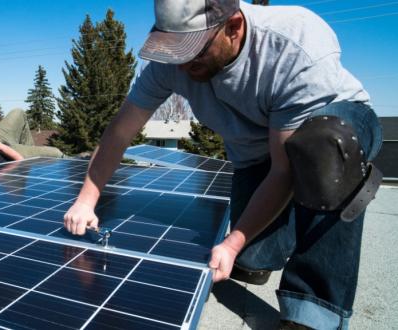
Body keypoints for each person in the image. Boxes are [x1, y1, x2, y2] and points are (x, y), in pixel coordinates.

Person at [62, 0, 382, 329]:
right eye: (175, 51)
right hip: (256, 153)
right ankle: (270, 244)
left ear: (233, 28)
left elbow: (283, 170)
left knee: (324, 150)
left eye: (194, 52)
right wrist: (86, 200)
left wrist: (231, 243)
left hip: (334, 131)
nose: (182, 65)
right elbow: (120, 131)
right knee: (253, 256)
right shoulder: (171, 62)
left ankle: (314, 312)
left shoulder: (294, 41)